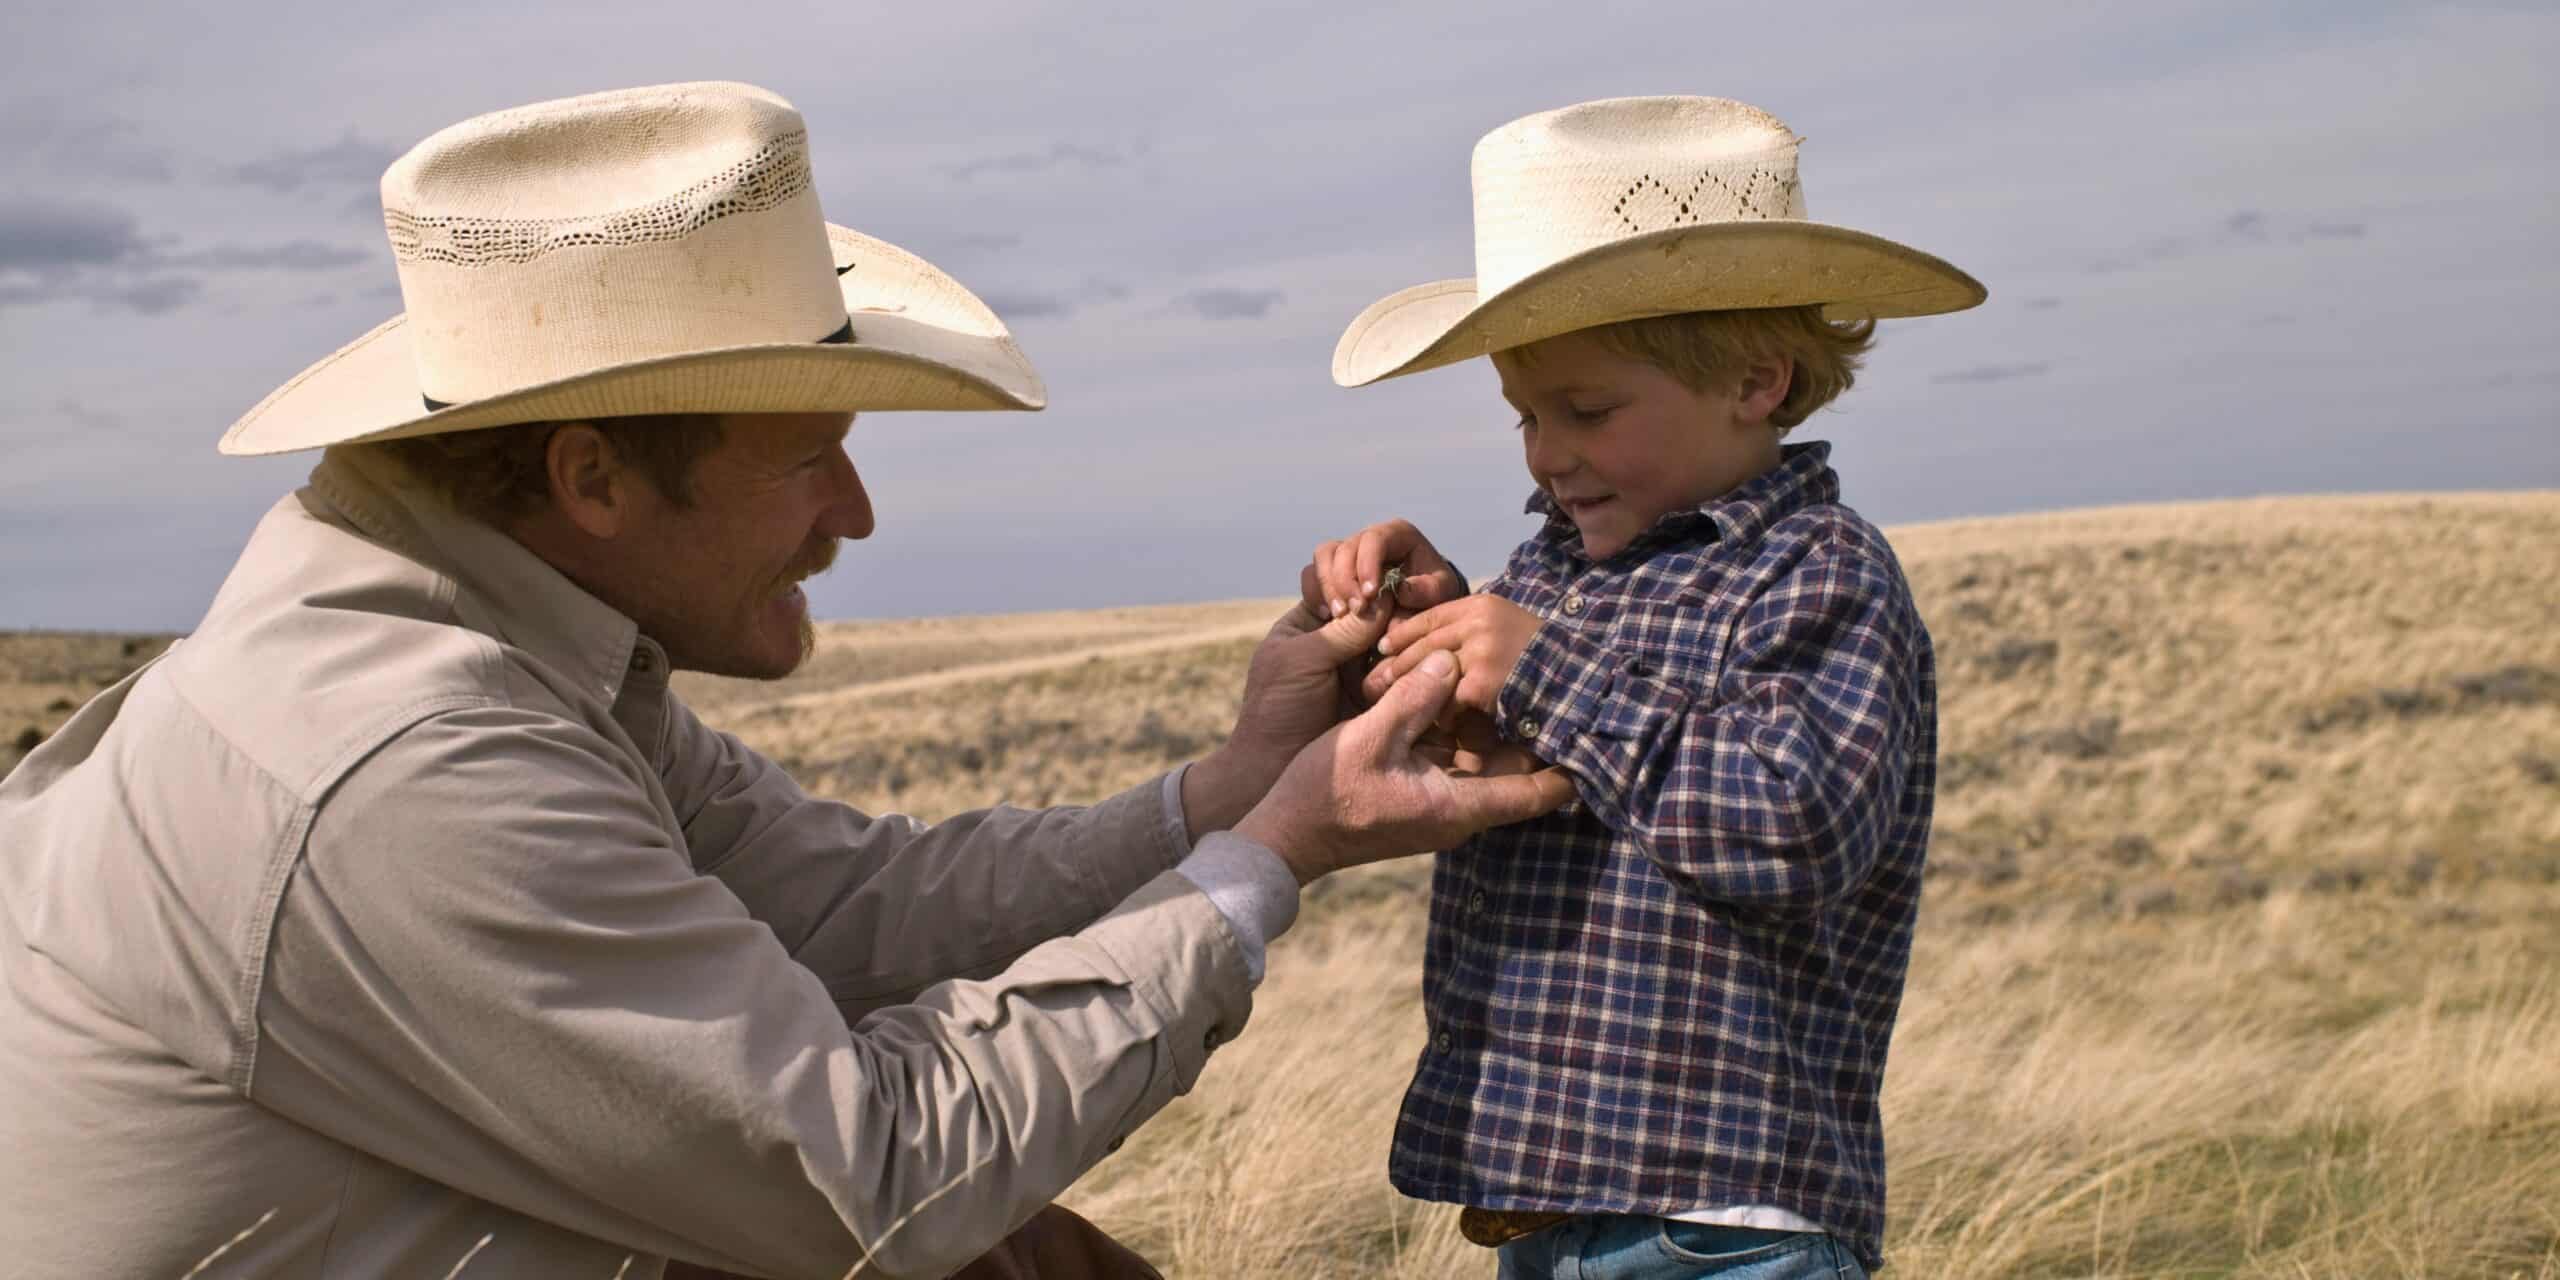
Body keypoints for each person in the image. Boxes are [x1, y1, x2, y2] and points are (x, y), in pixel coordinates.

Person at [0, 82, 1571, 1279]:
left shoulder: (496, 648)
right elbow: (870, 1184)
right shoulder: (412, 761)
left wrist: (1227, 790)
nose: (857, 514)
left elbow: (842, 905)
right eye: (811, 455)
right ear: (594, 476)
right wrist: (1269, 858)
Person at [1300, 96, 1985, 1278]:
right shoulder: (1548, 574)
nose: (1544, 452)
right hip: (1552, 1208)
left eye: (1587, 409)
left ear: (1757, 380)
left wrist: (1541, 670)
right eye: (1524, 414)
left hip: (1723, 1229)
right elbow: (1518, 769)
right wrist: (1421, 643)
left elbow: (1794, 828)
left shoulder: (1818, 568)